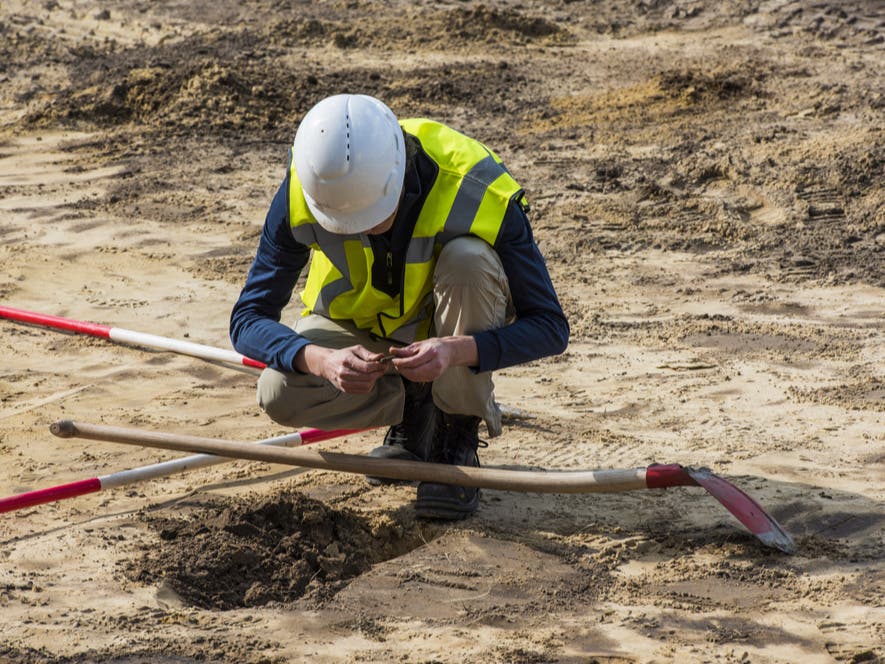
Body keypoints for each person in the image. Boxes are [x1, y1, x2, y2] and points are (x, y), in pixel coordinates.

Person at [230, 94, 568, 520]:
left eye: (371, 218)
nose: (361, 230)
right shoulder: (308, 186)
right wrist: (321, 360)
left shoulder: (477, 187)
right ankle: (415, 409)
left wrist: (453, 352)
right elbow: (247, 318)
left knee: (469, 261)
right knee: (277, 390)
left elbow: (550, 328)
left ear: (400, 179)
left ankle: (453, 437)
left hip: (449, 336)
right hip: (358, 333)